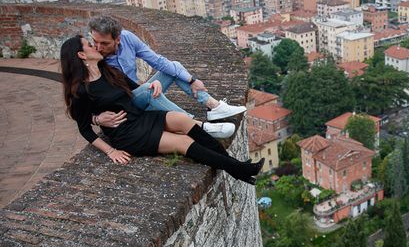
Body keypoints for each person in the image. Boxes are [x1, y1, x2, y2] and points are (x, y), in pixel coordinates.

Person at [61, 35, 263, 185]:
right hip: (128, 134)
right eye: (89, 45)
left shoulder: (109, 71)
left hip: (141, 118)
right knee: (184, 142)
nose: (95, 46)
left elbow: (136, 90)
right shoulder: (81, 89)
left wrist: (153, 86)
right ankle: (240, 169)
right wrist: (110, 150)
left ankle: (235, 166)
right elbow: (83, 128)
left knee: (183, 120)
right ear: (81, 55)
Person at [88, 15, 246, 129]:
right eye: (95, 42)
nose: (98, 47)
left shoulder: (128, 38)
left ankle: (214, 106)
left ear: (118, 39)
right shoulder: (93, 58)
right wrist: (96, 119)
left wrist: (192, 80)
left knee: (173, 67)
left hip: (137, 92)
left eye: (104, 43)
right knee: (148, 89)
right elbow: (83, 99)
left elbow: (157, 61)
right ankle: (193, 125)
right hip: (125, 106)